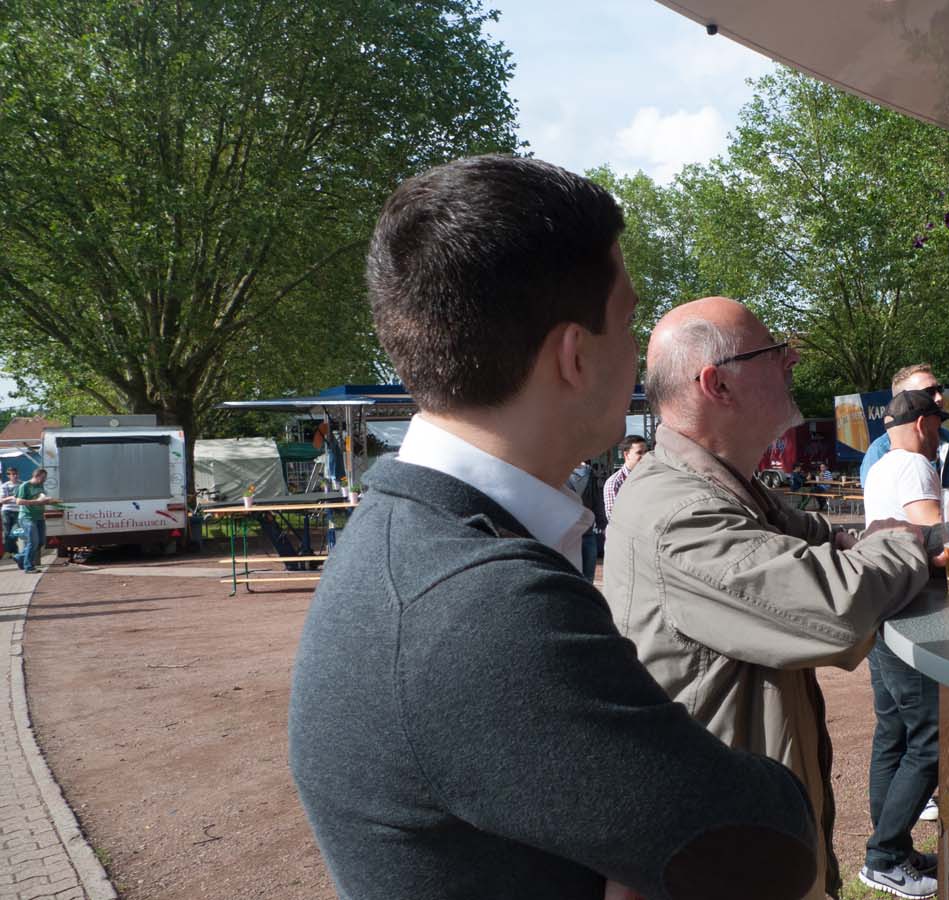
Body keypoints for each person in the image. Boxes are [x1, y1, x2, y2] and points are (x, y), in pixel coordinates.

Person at [288, 156, 819, 900]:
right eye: (629, 321)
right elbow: (772, 847)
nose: (639, 357)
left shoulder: (407, 542)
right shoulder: (482, 603)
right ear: (574, 355)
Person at [603, 296, 949, 900]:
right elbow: (834, 605)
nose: (792, 360)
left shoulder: (722, 485)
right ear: (717, 385)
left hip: (746, 841)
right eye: (773, 353)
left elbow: (832, 539)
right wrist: (917, 548)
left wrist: (938, 537)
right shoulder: (680, 513)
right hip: (723, 862)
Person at [858, 389, 949, 899]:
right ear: (923, 423)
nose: (941, 430)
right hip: (913, 614)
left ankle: (890, 849)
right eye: (938, 422)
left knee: (892, 733)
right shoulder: (917, 467)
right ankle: (884, 855)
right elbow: (932, 538)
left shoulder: (879, 467)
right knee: (931, 738)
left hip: (883, 609)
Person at [859, 364, 949, 491]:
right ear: (904, 400)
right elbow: (879, 506)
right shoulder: (879, 451)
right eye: (929, 392)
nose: (939, 397)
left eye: (939, 389)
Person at [564, 459, 605, 582]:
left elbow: (597, 501)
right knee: (569, 575)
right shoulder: (560, 472)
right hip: (567, 534)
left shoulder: (590, 474)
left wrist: (603, 525)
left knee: (588, 577)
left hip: (587, 533)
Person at [602, 434, 648, 521]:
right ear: (627, 455)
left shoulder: (651, 477)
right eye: (639, 452)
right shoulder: (615, 482)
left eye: (646, 452)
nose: (645, 456)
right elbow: (614, 518)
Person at [12, 467, 50, 573]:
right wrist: (37, 502)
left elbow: (41, 498)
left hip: (39, 517)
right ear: (36, 476)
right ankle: (28, 567)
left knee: (40, 542)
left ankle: (20, 557)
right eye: (43, 477)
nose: (45, 480)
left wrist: (47, 501)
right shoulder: (25, 486)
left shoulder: (40, 485)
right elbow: (18, 501)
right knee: (33, 542)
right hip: (27, 517)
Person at [1, 468, 20, 561]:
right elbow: (2, 500)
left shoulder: (22, 484)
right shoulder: (4, 485)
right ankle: (14, 552)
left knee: (15, 532)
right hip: (7, 511)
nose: (14, 476)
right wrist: (13, 497)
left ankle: (11, 551)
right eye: (12, 474)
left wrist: (9, 498)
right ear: (8, 476)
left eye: (15, 473)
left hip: (18, 511)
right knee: (7, 533)